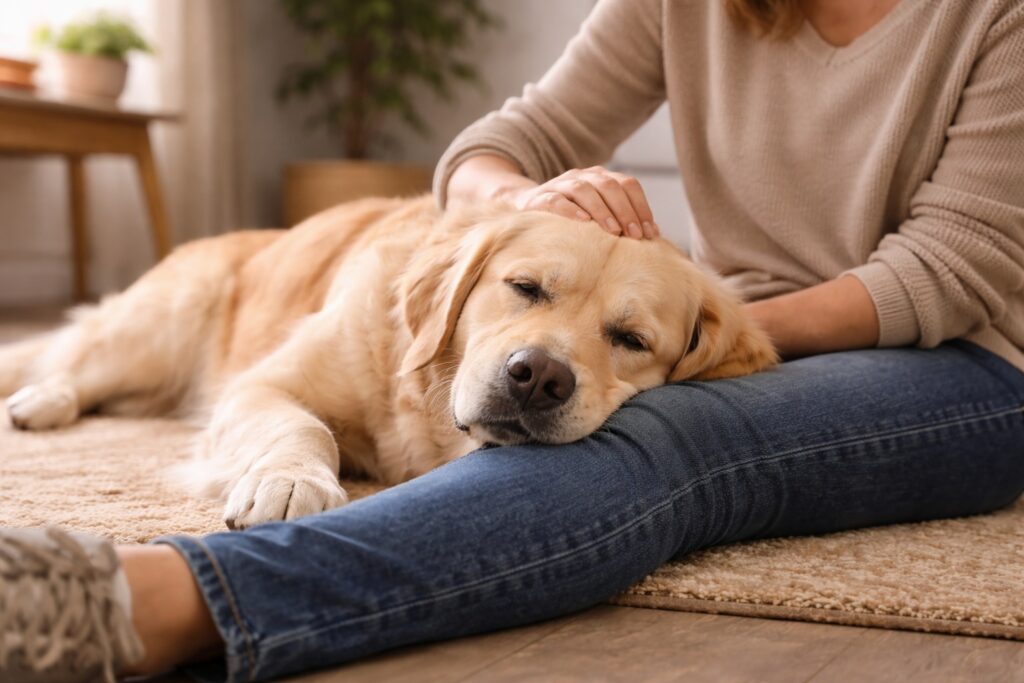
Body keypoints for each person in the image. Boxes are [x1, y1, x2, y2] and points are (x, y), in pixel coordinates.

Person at [3, 0, 1024, 680]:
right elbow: (501, 145)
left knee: (655, 438)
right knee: (624, 420)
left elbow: (955, 265)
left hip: (960, 362)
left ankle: (165, 599)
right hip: (720, 328)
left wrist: (703, 348)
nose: (540, 359)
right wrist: (524, 202)